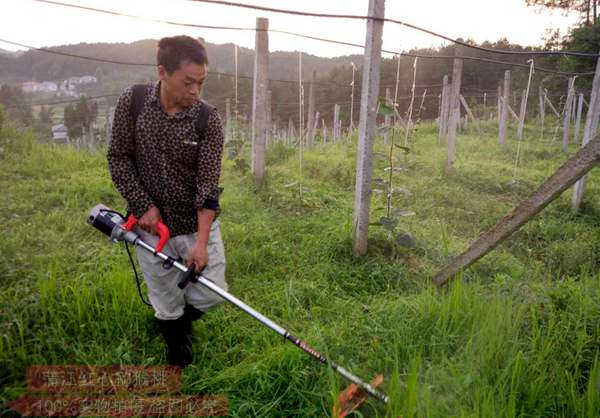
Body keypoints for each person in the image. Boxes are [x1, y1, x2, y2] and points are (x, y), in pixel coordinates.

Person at [107, 35, 227, 367]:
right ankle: (177, 354)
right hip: (150, 229)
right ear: (162, 71)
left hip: (193, 224)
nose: (196, 91)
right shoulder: (133, 102)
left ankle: (182, 324)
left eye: (201, 82)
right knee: (164, 298)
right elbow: (118, 157)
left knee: (212, 292)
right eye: (189, 82)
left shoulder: (207, 120)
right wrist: (143, 205)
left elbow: (207, 188)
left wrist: (201, 243)